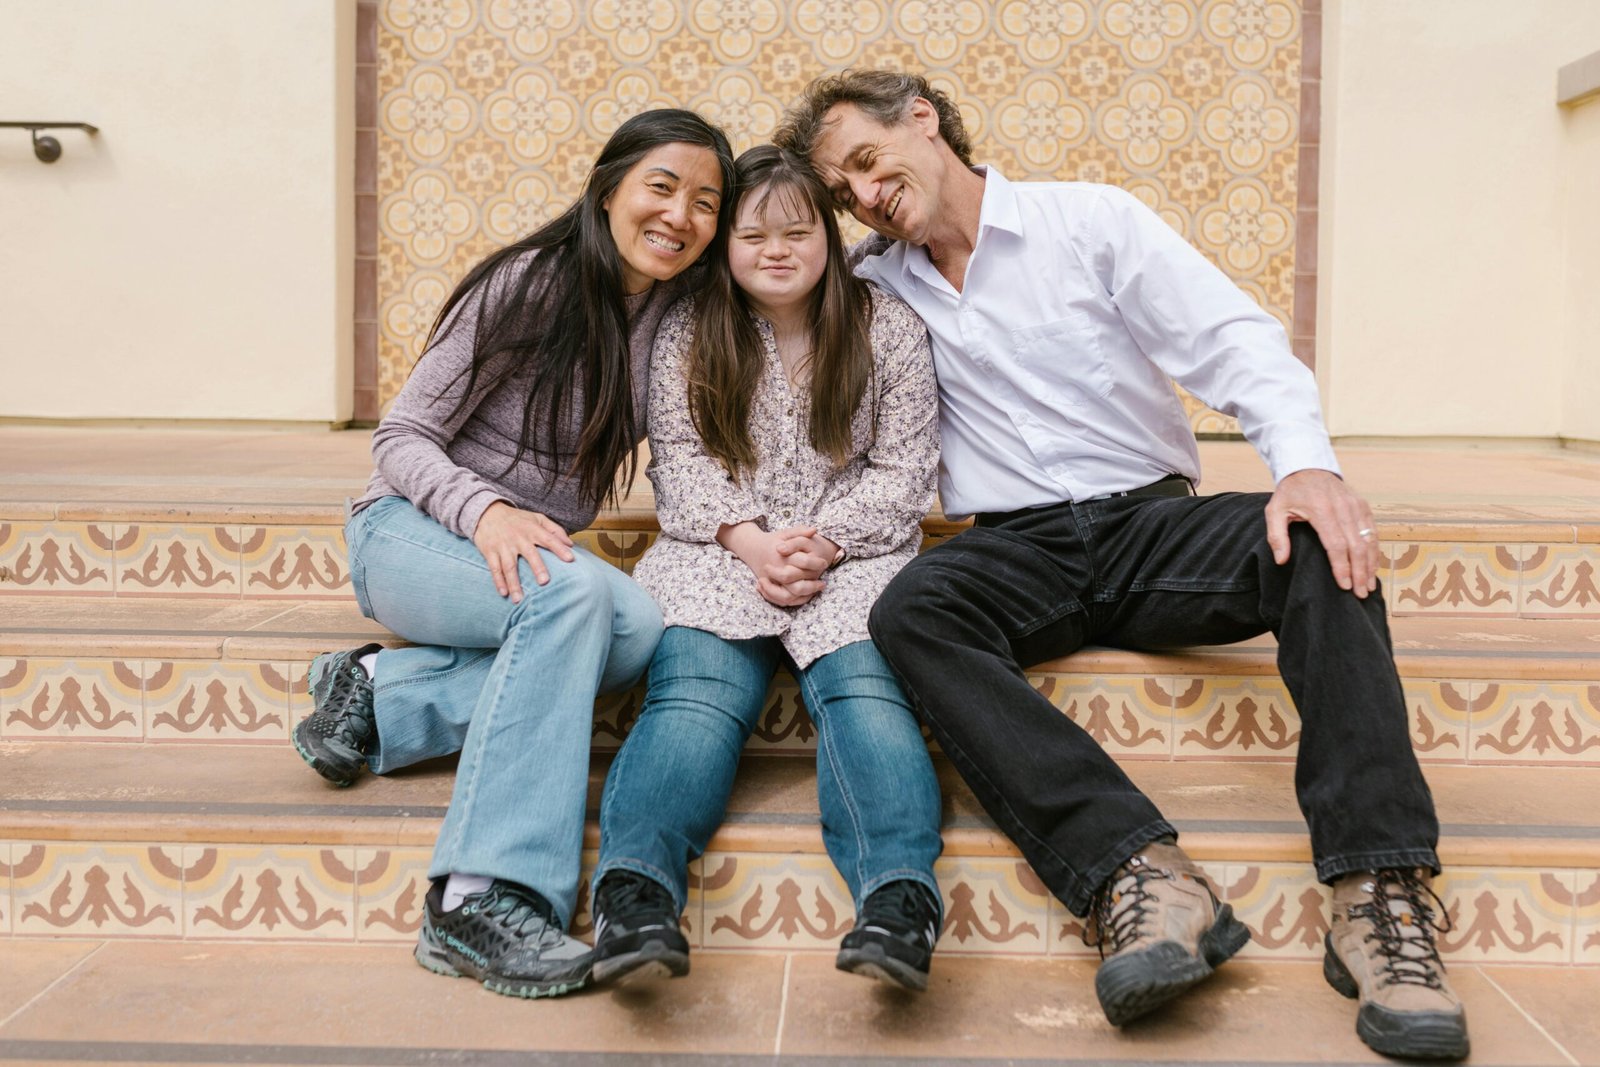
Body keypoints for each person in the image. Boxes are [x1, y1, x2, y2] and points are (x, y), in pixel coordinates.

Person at [775, 70, 1469, 1060]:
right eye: (844, 190)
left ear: (921, 120)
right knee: (914, 607)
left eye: (866, 162)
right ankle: (1138, 875)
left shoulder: (1086, 221)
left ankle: (1379, 893)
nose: (864, 195)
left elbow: (1231, 341)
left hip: (1149, 527)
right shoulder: (874, 288)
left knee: (1318, 539)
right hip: (1011, 544)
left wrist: (1306, 465)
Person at [291, 109, 736, 999]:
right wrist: (485, 510)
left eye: (706, 202)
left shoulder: (679, 319)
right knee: (571, 603)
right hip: (409, 532)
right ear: (609, 188)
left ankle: (383, 694)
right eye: (662, 186)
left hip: (516, 560)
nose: (680, 215)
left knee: (640, 628)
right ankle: (480, 893)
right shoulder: (530, 284)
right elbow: (402, 436)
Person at [585, 145, 946, 992]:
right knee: (697, 694)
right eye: (752, 234)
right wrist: (750, 541)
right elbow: (677, 459)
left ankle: (898, 899)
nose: (775, 250)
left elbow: (906, 469)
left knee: (865, 689)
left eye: (797, 230)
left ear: (828, 235)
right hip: (719, 551)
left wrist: (822, 540)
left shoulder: (886, 325)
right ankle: (633, 895)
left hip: (851, 554)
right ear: (725, 246)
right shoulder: (689, 328)